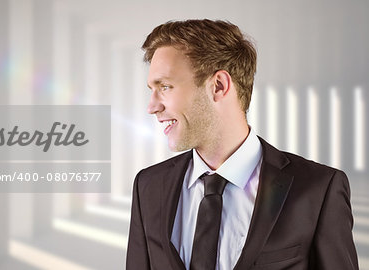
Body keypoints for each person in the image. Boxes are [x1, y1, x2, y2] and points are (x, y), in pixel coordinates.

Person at [126, 19, 358, 270]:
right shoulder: (148, 187)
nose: (152, 106)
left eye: (166, 87)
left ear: (218, 86)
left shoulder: (317, 189)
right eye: (152, 89)